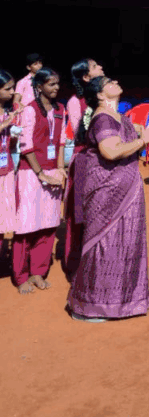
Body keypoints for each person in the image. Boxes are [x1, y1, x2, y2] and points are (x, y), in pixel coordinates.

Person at [67, 76, 149, 321]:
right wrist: (144, 139)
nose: (116, 81)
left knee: (125, 243)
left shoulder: (118, 116)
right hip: (107, 191)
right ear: (100, 95)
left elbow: (129, 134)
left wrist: (145, 132)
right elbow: (110, 151)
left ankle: (120, 302)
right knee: (105, 244)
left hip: (125, 189)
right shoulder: (102, 119)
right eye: (109, 82)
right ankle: (90, 306)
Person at [14, 69, 67, 293]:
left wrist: (60, 168)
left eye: (57, 83)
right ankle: (21, 276)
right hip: (31, 173)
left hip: (52, 171)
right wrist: (40, 173)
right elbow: (26, 146)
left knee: (48, 223)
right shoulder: (30, 110)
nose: (56, 87)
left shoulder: (60, 109)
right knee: (26, 225)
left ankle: (38, 271)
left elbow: (62, 140)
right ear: (39, 87)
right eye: (51, 84)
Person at [63, 57, 105, 278]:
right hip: (84, 161)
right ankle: (76, 266)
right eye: (96, 67)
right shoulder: (75, 102)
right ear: (86, 77)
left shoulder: (103, 98)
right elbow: (83, 134)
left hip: (103, 161)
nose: (101, 68)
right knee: (79, 214)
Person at [0, 71, 18, 263]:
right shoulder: (6, 117)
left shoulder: (6, 112)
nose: (12, 92)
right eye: (8, 88)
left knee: (3, 218)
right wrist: (5, 123)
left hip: (6, 170)